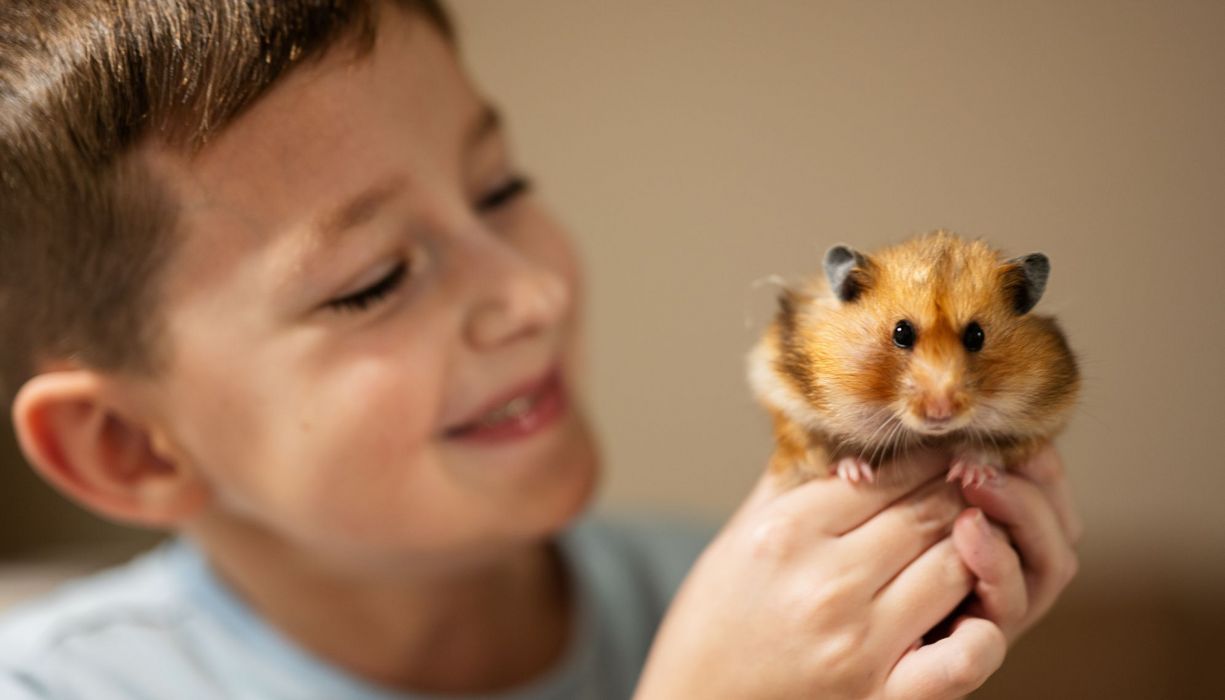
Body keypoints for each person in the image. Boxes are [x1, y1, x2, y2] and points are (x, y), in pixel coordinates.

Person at [0, 1, 1080, 698]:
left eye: (499, 187)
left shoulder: (757, 597)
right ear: (126, 446)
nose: (533, 289)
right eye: (372, 280)